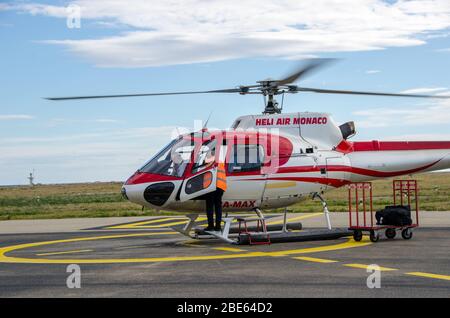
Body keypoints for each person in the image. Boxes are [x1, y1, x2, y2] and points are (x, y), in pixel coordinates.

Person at [204, 152, 227, 232]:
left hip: (211, 186)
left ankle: (210, 226)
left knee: (210, 206)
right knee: (218, 206)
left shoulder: (208, 162)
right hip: (220, 186)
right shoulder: (220, 161)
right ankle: (218, 226)